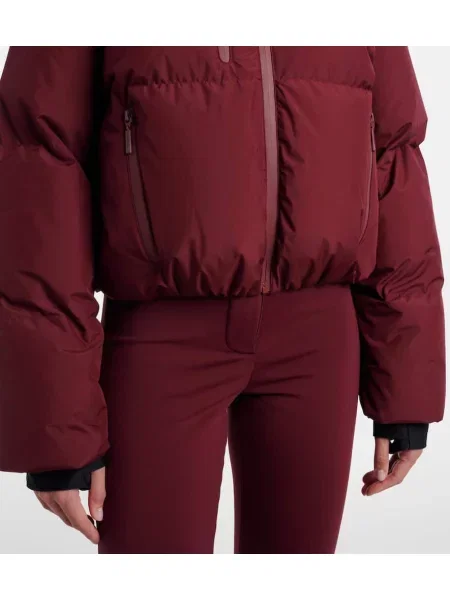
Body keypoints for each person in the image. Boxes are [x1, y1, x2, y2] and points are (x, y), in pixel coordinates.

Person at [0, 46, 445, 554]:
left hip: (319, 339)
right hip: (162, 340)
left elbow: (393, 158)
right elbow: (40, 169)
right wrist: (55, 425)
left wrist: (406, 387)